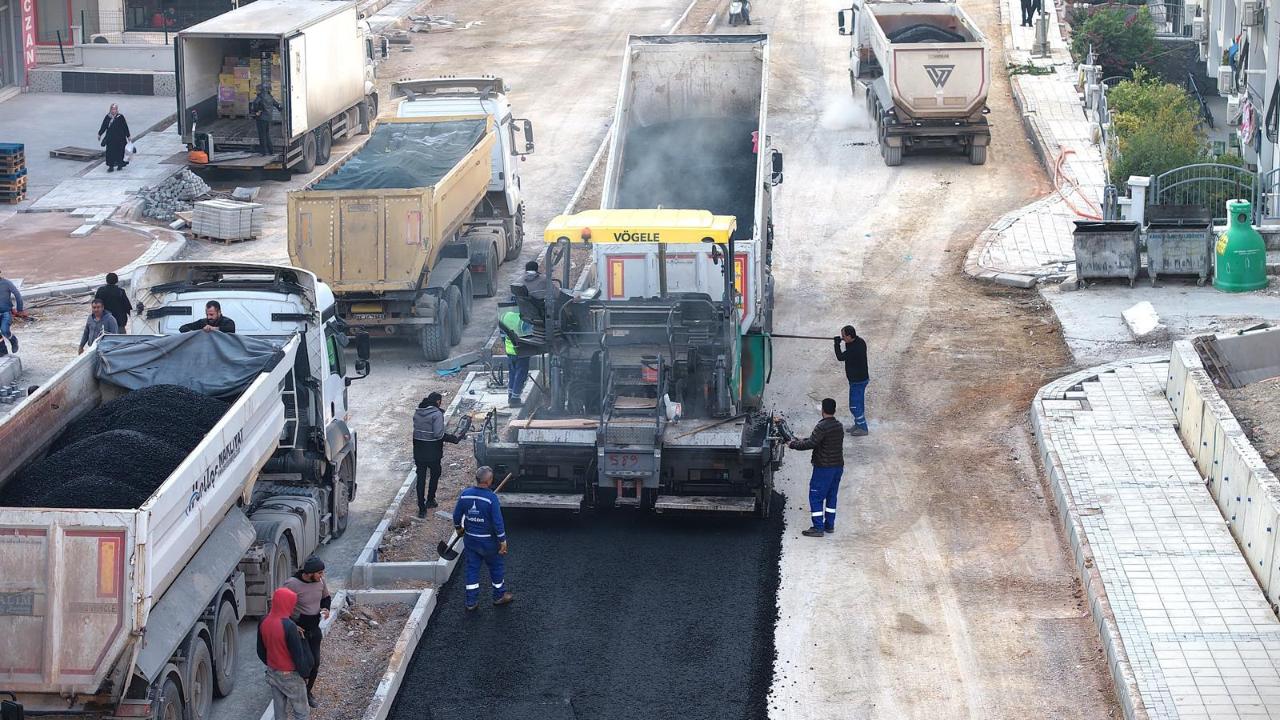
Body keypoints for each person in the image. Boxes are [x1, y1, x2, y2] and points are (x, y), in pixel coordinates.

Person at [451, 465, 515, 610]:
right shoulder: (491, 498)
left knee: (472, 569)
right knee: (496, 567)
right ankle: (499, 596)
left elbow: (456, 516)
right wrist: (503, 540)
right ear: (489, 481)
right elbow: (497, 522)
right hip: (489, 542)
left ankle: (471, 602)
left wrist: (458, 528)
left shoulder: (465, 494)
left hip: (471, 540)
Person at [788, 398, 845, 538]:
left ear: (823, 410)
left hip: (824, 468)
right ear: (834, 410)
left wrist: (793, 444)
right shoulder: (838, 426)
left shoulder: (822, 426)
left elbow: (812, 443)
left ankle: (818, 528)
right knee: (831, 496)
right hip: (837, 466)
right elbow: (818, 440)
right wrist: (802, 439)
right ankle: (829, 525)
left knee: (816, 496)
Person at [256, 587, 313, 720]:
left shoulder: (263, 621)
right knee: (301, 711)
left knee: (279, 711)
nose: (293, 607)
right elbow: (298, 657)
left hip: (273, 672)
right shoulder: (289, 626)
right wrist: (305, 675)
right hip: (290, 675)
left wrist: (273, 664)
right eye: (292, 603)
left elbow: (260, 651)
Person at [282, 557, 331, 708]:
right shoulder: (292, 584)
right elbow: (280, 607)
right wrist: (291, 625)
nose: (322, 576)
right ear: (309, 573)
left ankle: (307, 692)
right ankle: (297, 691)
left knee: (315, 663)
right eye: (319, 573)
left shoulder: (320, 582)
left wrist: (326, 608)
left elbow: (326, 597)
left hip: (314, 629)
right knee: (304, 664)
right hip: (299, 631)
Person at [412, 391, 466, 516]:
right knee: (435, 474)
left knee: (420, 478)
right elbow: (438, 434)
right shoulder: (436, 414)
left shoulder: (418, 411)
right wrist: (453, 438)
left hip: (419, 450)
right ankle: (430, 500)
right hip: (432, 452)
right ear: (437, 401)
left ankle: (421, 508)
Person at [834, 325, 870, 436]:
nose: (842, 338)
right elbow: (848, 345)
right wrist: (842, 341)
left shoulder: (854, 349)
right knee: (859, 404)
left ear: (850, 336)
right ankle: (858, 424)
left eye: (843, 336)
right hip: (860, 379)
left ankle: (863, 428)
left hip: (857, 381)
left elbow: (840, 357)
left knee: (854, 406)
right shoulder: (859, 341)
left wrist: (836, 344)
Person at [499, 306, 530, 407]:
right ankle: (515, 399)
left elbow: (503, 336)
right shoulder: (524, 320)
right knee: (520, 375)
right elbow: (530, 335)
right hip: (521, 351)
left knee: (512, 373)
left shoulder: (505, 316)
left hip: (509, 351)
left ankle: (510, 395)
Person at [97, 104, 132, 173]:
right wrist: (100, 134)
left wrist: (128, 136)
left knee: (120, 152)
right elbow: (104, 126)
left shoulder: (120, 117)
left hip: (120, 138)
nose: (114, 111)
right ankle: (111, 166)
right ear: (110, 110)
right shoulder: (107, 117)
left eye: (115, 109)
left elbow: (125, 127)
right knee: (110, 152)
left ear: (117, 110)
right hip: (110, 138)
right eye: (112, 109)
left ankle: (120, 165)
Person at [251, 86, 283, 157]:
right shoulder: (270, 97)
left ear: (259, 90)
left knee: (262, 136)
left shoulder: (260, 97)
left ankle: (264, 152)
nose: (256, 91)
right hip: (268, 119)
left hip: (261, 119)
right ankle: (271, 151)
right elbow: (277, 105)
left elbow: (255, 104)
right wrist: (281, 109)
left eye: (256, 90)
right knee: (267, 135)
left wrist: (256, 111)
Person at [0, 268, 23, 353]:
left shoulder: (6, 283)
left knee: (5, 330)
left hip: (6, 312)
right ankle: (3, 351)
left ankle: (13, 340)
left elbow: (17, 295)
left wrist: (19, 309)